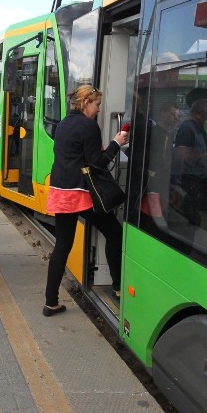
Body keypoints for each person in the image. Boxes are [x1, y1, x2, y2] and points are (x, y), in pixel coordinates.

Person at [43, 85, 128, 316]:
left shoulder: (62, 124)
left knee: (62, 245)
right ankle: (118, 287)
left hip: (60, 190)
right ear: (85, 103)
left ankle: (51, 302)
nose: (99, 109)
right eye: (97, 104)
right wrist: (116, 143)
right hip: (80, 193)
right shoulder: (89, 126)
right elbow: (96, 162)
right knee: (114, 232)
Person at [172, 98, 207, 222]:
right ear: (198, 113)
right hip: (188, 180)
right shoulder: (187, 128)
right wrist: (204, 154)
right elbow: (181, 154)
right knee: (189, 217)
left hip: (198, 180)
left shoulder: (199, 129)